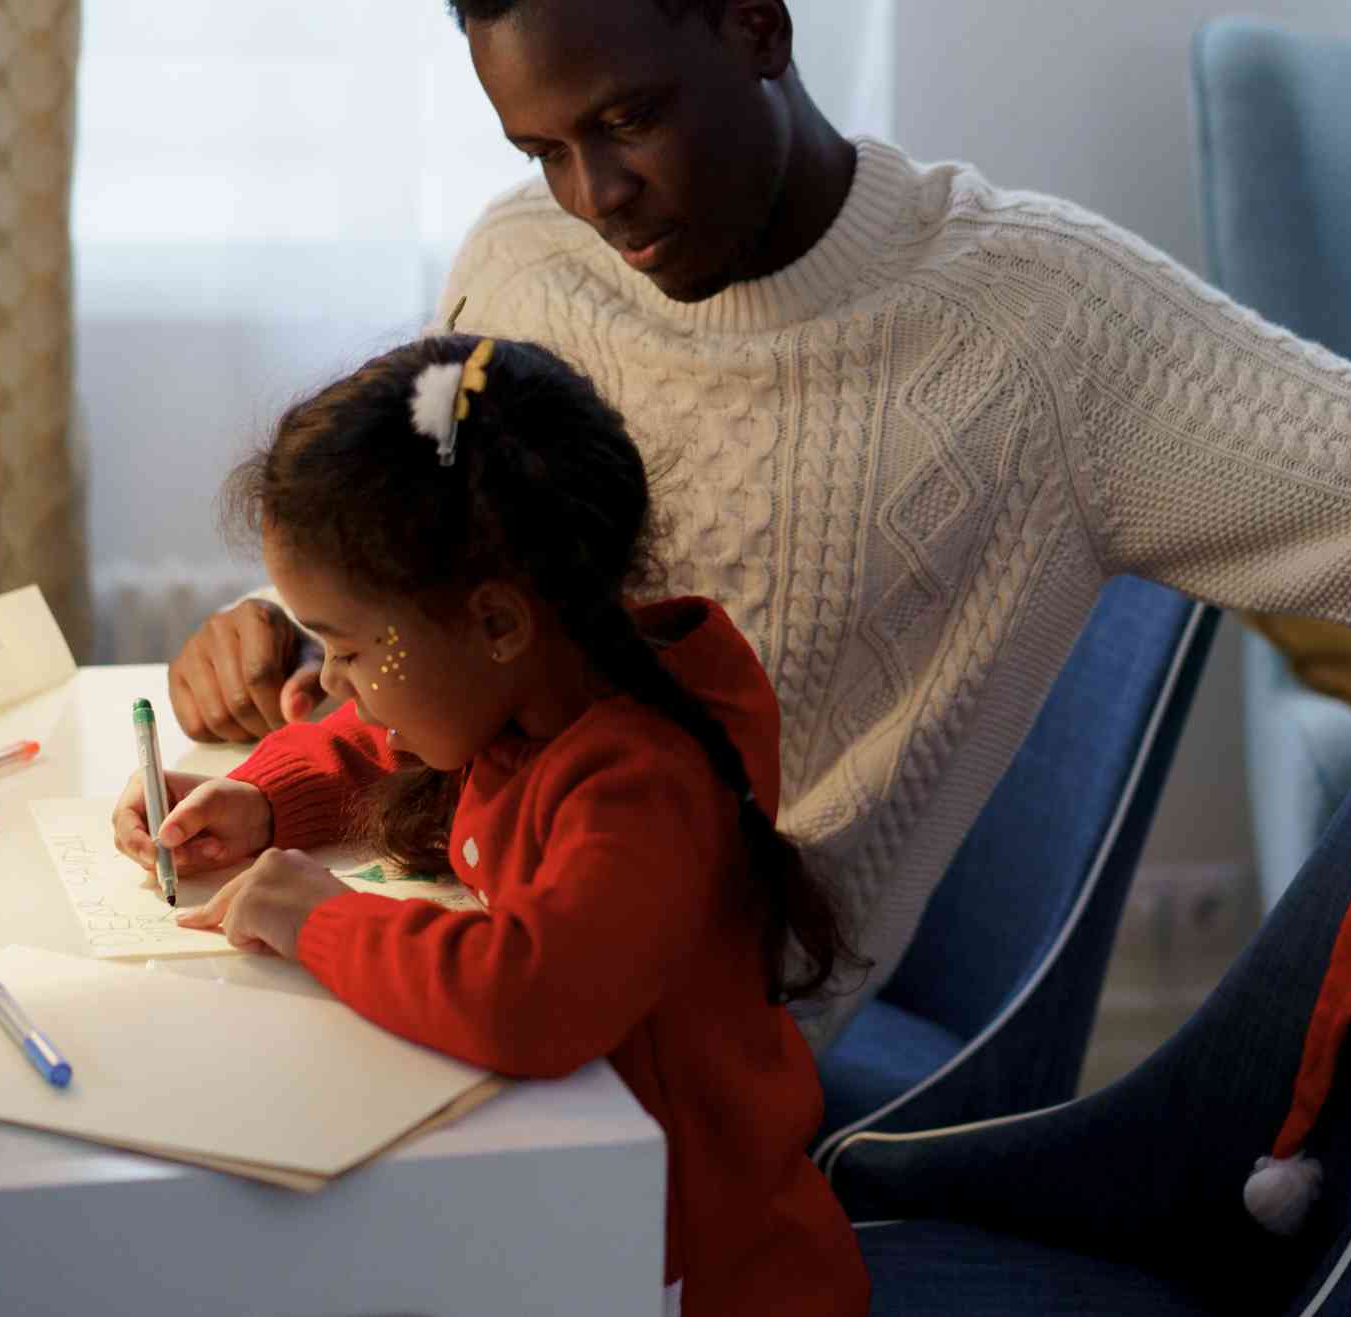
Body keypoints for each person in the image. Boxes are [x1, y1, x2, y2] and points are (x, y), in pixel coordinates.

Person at [158, 0, 1351, 1050]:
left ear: (755, 23)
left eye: (625, 120)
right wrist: (321, 651)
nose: (594, 197)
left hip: (699, 1046)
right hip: (470, 918)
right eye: (542, 147)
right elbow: (475, 634)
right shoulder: (523, 265)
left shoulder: (1040, 324)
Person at [120, 333, 869, 1317]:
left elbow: (529, 997)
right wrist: (263, 799)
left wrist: (320, 922)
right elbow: (374, 742)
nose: (328, 682)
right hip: (566, 1205)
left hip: (690, 1265)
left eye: (344, 648)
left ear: (498, 623)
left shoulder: (640, 781)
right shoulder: (529, 683)